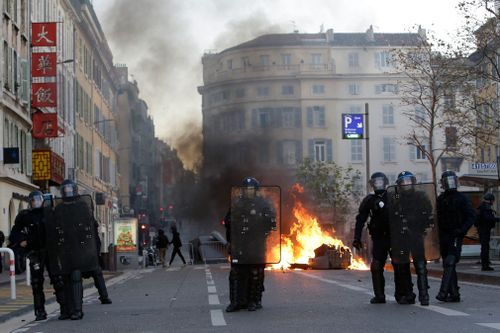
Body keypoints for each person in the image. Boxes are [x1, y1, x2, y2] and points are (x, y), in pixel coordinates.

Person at [353, 172, 414, 305]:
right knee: (376, 266)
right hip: (379, 237)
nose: (378, 184)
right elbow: (360, 219)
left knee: (400, 265)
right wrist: (357, 237)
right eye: (376, 182)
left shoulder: (394, 195)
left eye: (380, 181)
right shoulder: (369, 200)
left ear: (385, 182)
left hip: (396, 236)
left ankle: (404, 294)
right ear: (372, 184)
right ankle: (379, 295)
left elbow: (406, 209)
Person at [225, 177, 277, 312]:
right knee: (236, 272)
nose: (249, 192)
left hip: (256, 242)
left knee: (255, 273)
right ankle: (236, 301)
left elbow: (271, 222)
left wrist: (264, 221)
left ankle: (253, 300)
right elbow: (228, 221)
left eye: (252, 189)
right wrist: (230, 241)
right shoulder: (236, 203)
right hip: (240, 243)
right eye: (247, 189)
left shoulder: (262, 203)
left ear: (256, 190)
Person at [392, 171, 434, 306]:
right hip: (401, 237)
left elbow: (428, 213)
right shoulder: (396, 198)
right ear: (399, 184)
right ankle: (408, 294)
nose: (406, 184)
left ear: (413, 182)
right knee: (403, 265)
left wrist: (420, 223)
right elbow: (391, 217)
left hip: (416, 234)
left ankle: (424, 295)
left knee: (420, 265)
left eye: (408, 181)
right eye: (403, 182)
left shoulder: (421, 196)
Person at [9, 191, 51, 321]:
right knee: (36, 283)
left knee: (58, 279)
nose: (37, 202)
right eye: (34, 200)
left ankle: (65, 309)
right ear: (30, 202)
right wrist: (22, 240)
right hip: (34, 252)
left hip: (50, 251)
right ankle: (40, 311)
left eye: (39, 200)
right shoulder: (24, 216)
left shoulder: (49, 213)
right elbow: (14, 233)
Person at [436, 171, 476, 302]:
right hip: (443, 235)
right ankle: (454, 293)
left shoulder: (462, 198)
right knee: (448, 264)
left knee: (450, 261)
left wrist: (461, 230)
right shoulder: (440, 199)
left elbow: (471, 216)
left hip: (455, 234)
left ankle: (443, 292)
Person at [476, 192, 499, 271]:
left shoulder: (481, 206)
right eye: (492, 200)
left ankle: (485, 264)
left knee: (484, 247)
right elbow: (488, 218)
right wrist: (497, 219)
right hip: (484, 230)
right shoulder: (485, 207)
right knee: (485, 248)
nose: (493, 202)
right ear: (490, 200)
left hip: (482, 229)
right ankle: (485, 266)